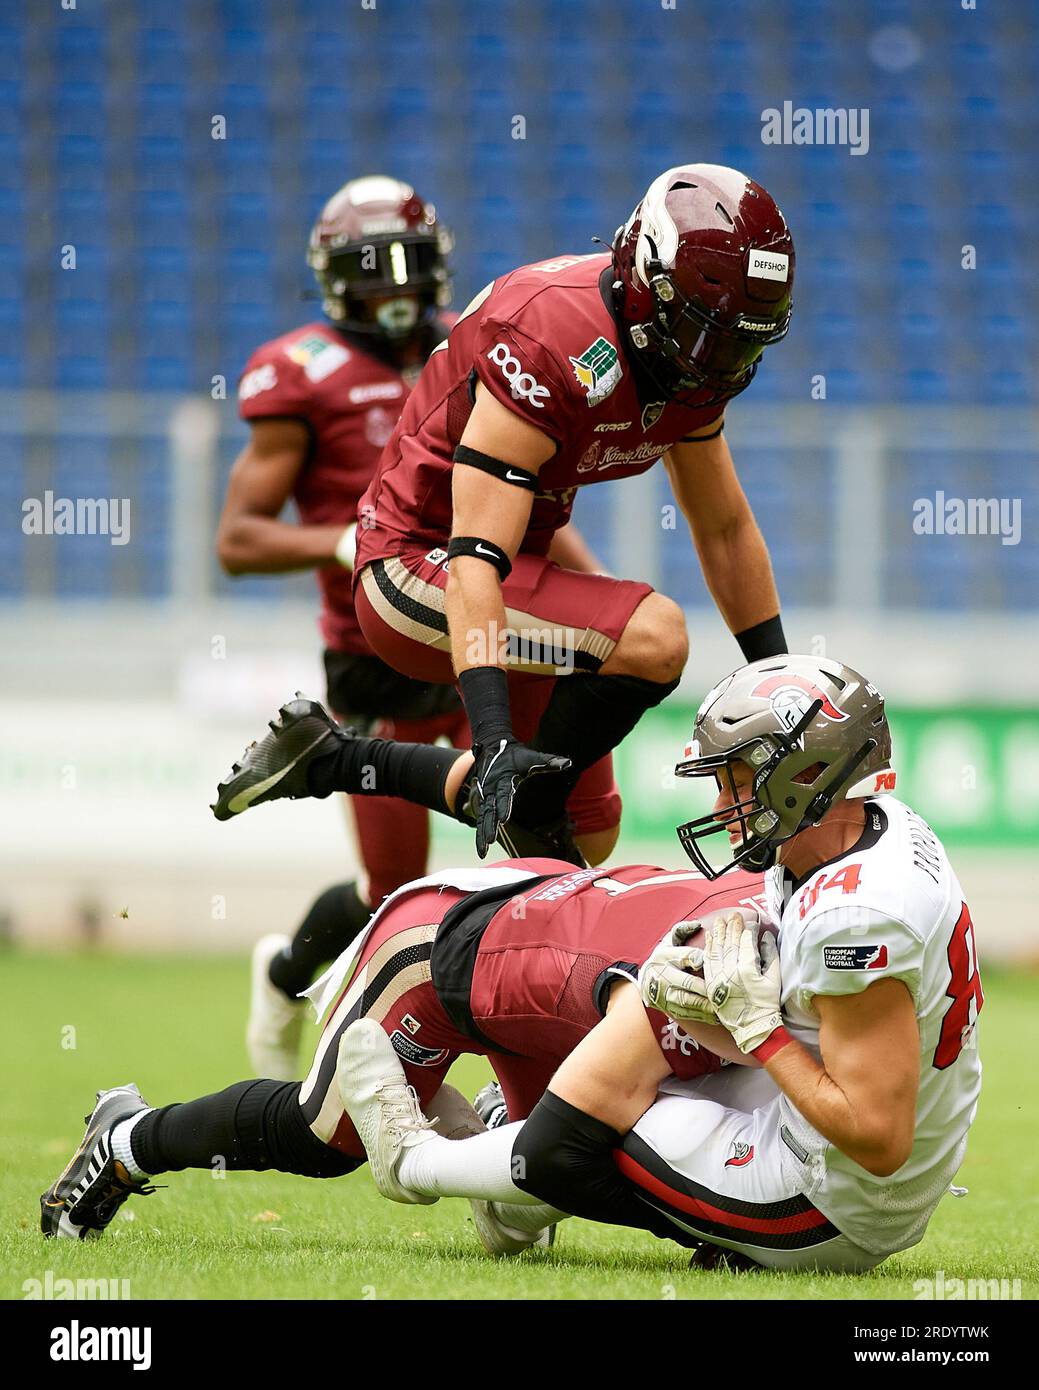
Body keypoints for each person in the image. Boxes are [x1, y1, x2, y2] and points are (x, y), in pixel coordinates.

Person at [337, 656, 984, 1272]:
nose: (721, 804)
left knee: (575, 1136)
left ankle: (413, 1164)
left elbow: (876, 1138)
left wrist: (759, 1030)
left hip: (832, 1202)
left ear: (806, 773)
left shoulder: (859, 916)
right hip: (872, 1160)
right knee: (637, 1058)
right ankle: (512, 1195)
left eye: (736, 777)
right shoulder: (870, 830)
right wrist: (717, 1008)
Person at [215, 175, 597, 1078]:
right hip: (376, 649)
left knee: (514, 845)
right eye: (370, 271)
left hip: (475, 637)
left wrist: (595, 593)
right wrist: (335, 539)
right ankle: (286, 969)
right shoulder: (302, 373)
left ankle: (504, 1069)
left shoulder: (480, 348)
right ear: (333, 278)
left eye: (407, 268)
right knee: (390, 888)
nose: (392, 289)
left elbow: (510, 495)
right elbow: (235, 539)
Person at [350, 162, 796, 866]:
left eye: (743, 338)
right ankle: (344, 759)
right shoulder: (547, 334)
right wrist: (494, 737)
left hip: (510, 575)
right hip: (415, 568)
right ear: (647, 277)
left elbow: (723, 527)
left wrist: (783, 684)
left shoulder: (684, 348)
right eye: (708, 330)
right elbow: (473, 553)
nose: (720, 360)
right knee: (654, 636)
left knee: (579, 839)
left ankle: (483, 930)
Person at [39, 855, 766, 1257]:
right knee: (326, 1139)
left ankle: (477, 1118)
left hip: (545, 962)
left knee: (518, 1228)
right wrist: (716, 1233)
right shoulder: (688, 995)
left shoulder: (772, 911)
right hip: (436, 952)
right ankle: (127, 1139)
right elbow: (570, 1152)